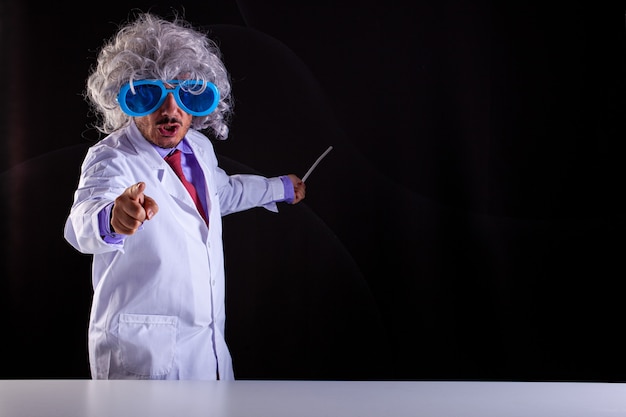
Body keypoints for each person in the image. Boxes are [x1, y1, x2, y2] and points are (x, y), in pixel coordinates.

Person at [64, 12, 306, 380]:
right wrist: (113, 217)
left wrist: (280, 188)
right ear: (127, 97)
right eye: (151, 94)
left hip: (205, 349)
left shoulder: (197, 147)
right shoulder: (110, 158)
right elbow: (82, 220)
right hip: (142, 356)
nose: (170, 111)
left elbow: (220, 193)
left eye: (185, 93)